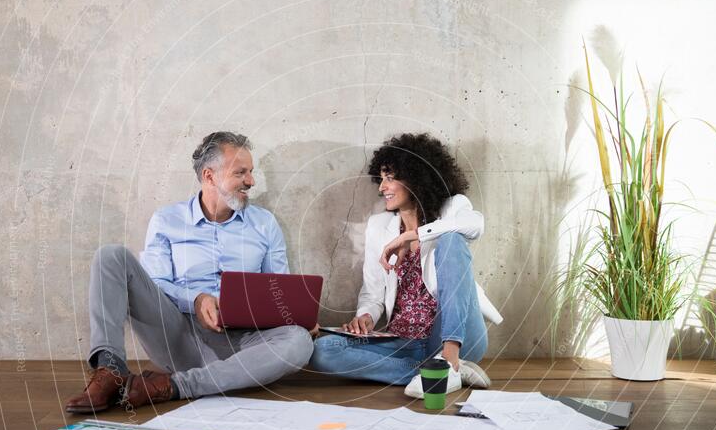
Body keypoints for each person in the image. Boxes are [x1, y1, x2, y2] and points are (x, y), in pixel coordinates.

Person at [65, 132, 314, 413]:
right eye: (241, 173)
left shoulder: (265, 224)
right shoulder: (166, 220)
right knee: (111, 256)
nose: (251, 181)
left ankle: (171, 386)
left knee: (299, 341)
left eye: (251, 172)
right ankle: (110, 370)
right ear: (210, 177)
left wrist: (297, 315)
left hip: (245, 345)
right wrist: (196, 299)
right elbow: (157, 283)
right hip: (178, 335)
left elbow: (277, 289)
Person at [310, 133, 503, 398]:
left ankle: (450, 357)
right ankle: (442, 371)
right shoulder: (379, 227)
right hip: (403, 344)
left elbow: (476, 224)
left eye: (390, 177)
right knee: (323, 351)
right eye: (382, 178)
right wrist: (366, 316)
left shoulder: (452, 208)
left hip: (453, 333)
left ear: (415, 178)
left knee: (450, 240)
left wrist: (413, 235)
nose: (382, 187)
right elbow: (373, 293)